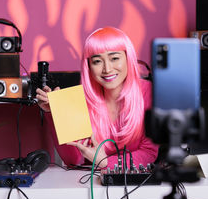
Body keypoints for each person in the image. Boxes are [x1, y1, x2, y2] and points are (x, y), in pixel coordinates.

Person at [36, 26, 159, 170]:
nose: (107, 69)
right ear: (88, 65)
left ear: (128, 58)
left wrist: (106, 162)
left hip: (137, 184)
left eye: (114, 58)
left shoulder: (149, 92)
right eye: (97, 61)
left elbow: (149, 153)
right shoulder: (78, 99)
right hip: (90, 183)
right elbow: (73, 159)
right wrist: (53, 113)